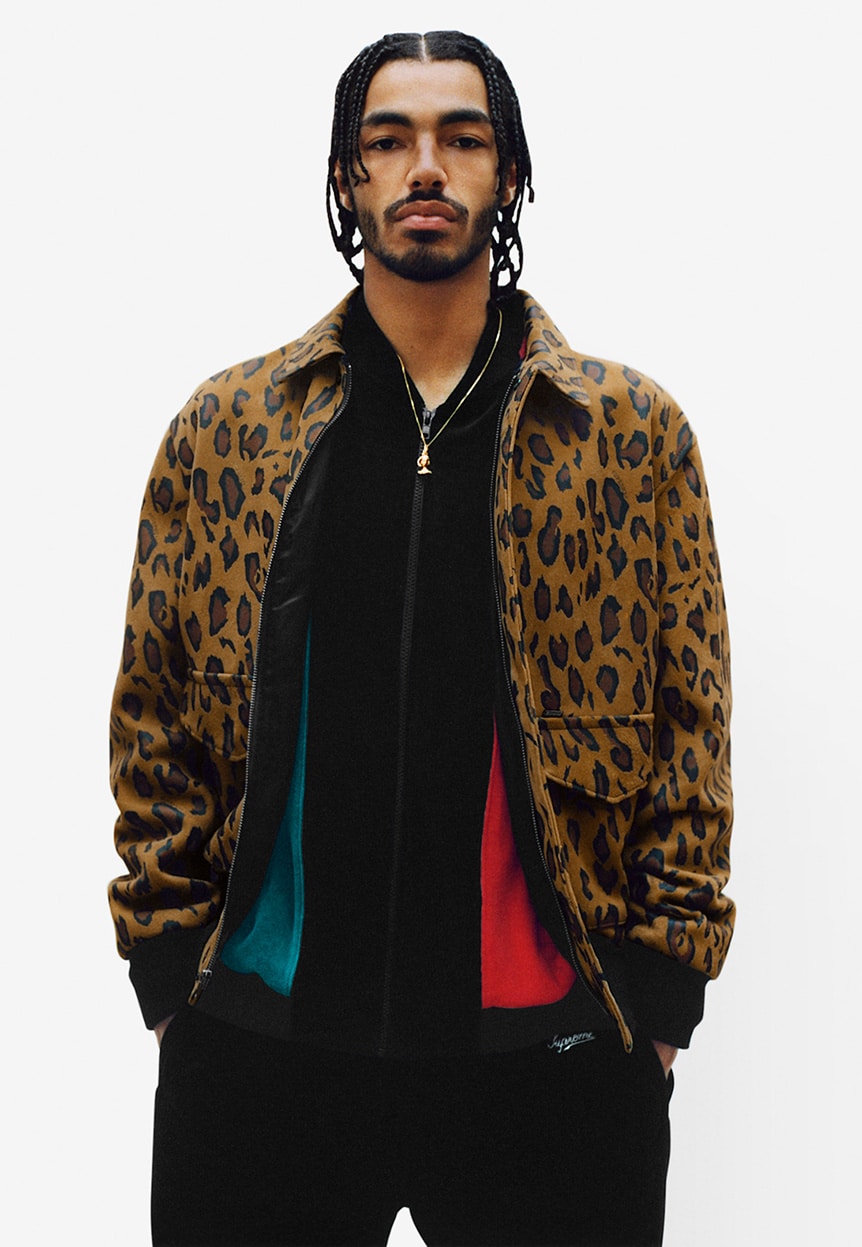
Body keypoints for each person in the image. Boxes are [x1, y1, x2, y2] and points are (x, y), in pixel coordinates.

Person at [109, 29, 734, 1247]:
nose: (426, 166)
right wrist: (171, 969)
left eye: (462, 137)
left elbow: (690, 721)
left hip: (551, 1059)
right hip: (262, 1052)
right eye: (388, 140)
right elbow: (155, 707)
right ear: (347, 179)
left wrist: (659, 998)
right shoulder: (232, 426)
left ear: (509, 173)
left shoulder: (624, 434)